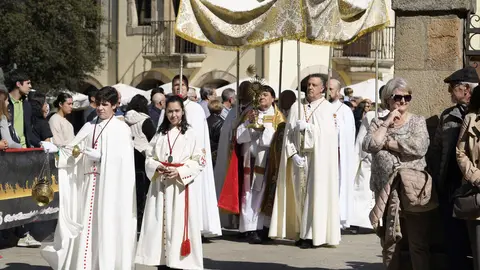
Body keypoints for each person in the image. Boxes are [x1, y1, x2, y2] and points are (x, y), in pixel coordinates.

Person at [41, 86, 137, 270]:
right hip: (88, 185)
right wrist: (57, 150)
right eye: (98, 104)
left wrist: (103, 157)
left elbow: (124, 163)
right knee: (87, 226)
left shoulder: (121, 128)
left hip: (109, 188)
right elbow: (74, 149)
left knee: (106, 226)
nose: (100, 108)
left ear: (115, 105)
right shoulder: (89, 125)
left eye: (105, 104)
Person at [365, 78, 435, 269]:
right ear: (388, 99)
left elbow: (419, 147)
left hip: (412, 189)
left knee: (417, 242)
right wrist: (387, 123)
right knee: (389, 242)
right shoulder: (378, 122)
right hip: (385, 190)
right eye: (398, 97)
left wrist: (387, 143)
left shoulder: (417, 121)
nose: (403, 101)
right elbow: (370, 145)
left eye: (407, 97)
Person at [269, 73, 340, 249]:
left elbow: (328, 137)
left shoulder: (327, 109)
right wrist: (293, 154)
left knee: (313, 196)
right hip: (299, 158)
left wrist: (309, 128)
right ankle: (299, 231)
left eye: (315, 85)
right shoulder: (297, 107)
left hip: (317, 159)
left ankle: (311, 234)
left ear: (323, 88)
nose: (310, 88)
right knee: (297, 196)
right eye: (308, 84)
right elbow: (289, 135)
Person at [136, 95, 206, 270]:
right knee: (159, 224)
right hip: (160, 185)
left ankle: (179, 262)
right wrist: (157, 166)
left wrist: (180, 171)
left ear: (182, 112)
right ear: (165, 112)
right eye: (170, 111)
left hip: (180, 187)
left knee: (177, 223)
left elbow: (199, 161)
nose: (173, 115)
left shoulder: (191, 134)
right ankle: (162, 261)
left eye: (177, 111)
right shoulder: (160, 134)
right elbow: (149, 157)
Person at [430, 66, 477, 269]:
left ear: (466, 89)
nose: (450, 92)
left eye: (452, 88)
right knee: (453, 239)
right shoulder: (448, 115)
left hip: (474, 186)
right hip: (450, 187)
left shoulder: (477, 114)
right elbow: (437, 148)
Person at [226, 85, 285, 244]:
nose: (261, 98)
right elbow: (238, 137)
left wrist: (262, 131)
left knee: (261, 194)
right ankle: (246, 228)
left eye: (265, 95)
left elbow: (277, 140)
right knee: (247, 194)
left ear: (273, 98)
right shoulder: (250, 114)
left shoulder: (278, 117)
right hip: (248, 160)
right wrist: (249, 126)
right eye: (259, 95)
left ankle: (261, 228)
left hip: (267, 162)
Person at [172, 75, 222, 238]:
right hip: (173, 161)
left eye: (182, 85)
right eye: (175, 85)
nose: (179, 88)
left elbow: (199, 136)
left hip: (191, 160)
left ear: (188, 88)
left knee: (194, 194)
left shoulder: (195, 109)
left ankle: (196, 227)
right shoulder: (169, 107)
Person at [214, 81, 252, 229]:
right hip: (231, 156)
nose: (241, 93)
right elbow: (227, 132)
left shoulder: (251, 110)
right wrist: (233, 127)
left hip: (246, 155)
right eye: (240, 90)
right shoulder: (233, 111)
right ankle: (230, 219)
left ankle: (243, 222)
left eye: (245, 90)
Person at [350, 87, 389, 231]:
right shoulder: (372, 115)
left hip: (386, 160)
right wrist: (357, 159)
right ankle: (362, 221)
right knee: (364, 190)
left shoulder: (397, 115)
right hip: (369, 160)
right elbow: (361, 139)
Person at [124, 94, 156, 232]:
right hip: (143, 158)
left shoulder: (124, 120)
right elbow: (153, 139)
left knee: (131, 192)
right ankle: (142, 223)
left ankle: (131, 222)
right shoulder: (146, 120)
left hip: (129, 157)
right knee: (143, 193)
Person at [328, 78, 356, 230]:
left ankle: (338, 218)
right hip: (322, 156)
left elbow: (349, 133)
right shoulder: (321, 107)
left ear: (338, 92)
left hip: (338, 155)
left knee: (337, 186)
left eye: (331, 89)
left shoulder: (344, 110)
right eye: (326, 88)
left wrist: (336, 128)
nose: (328, 92)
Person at [5, 69, 35, 148]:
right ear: (18, 84)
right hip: (7, 152)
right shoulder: (4, 103)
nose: (30, 86)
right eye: (28, 83)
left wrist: (39, 143)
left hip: (25, 152)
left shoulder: (27, 105)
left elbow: (29, 131)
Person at [206, 100, 224, 168]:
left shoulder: (205, 121)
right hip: (217, 151)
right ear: (221, 109)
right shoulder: (222, 122)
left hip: (208, 150)